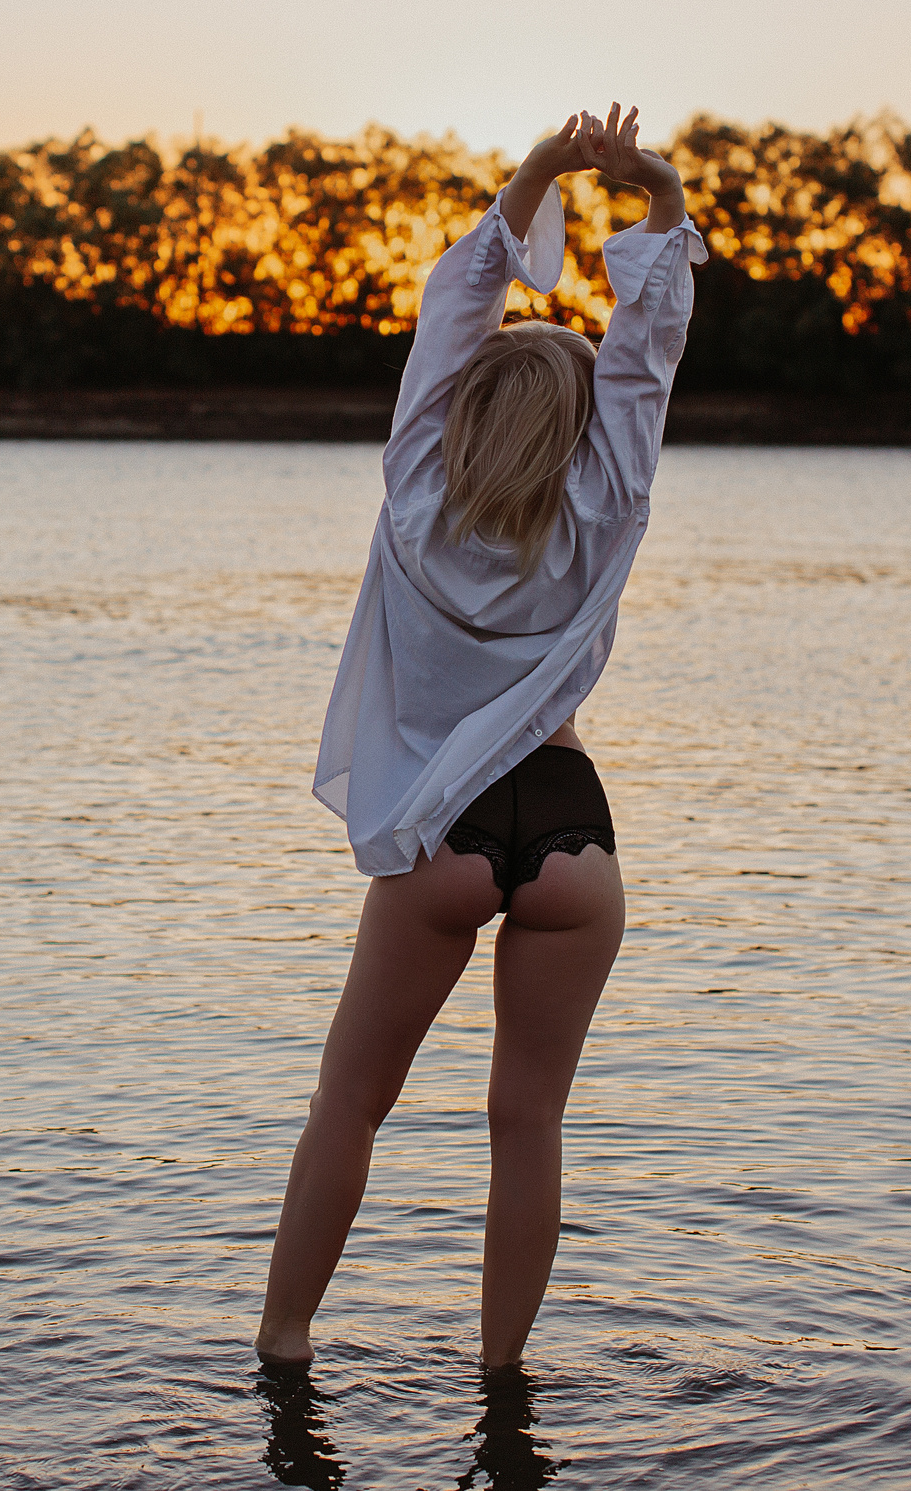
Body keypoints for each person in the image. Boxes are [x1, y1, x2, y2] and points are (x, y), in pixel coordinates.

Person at [256, 103, 705, 1370]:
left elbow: (452, 314)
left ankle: (285, 1343)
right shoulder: (604, 507)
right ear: (577, 433)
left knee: (350, 1104)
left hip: (440, 827)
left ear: (461, 416)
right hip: (571, 834)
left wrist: (539, 172)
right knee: (529, 1123)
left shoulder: (416, 493)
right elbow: (645, 357)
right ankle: (503, 1379)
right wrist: (657, 197)